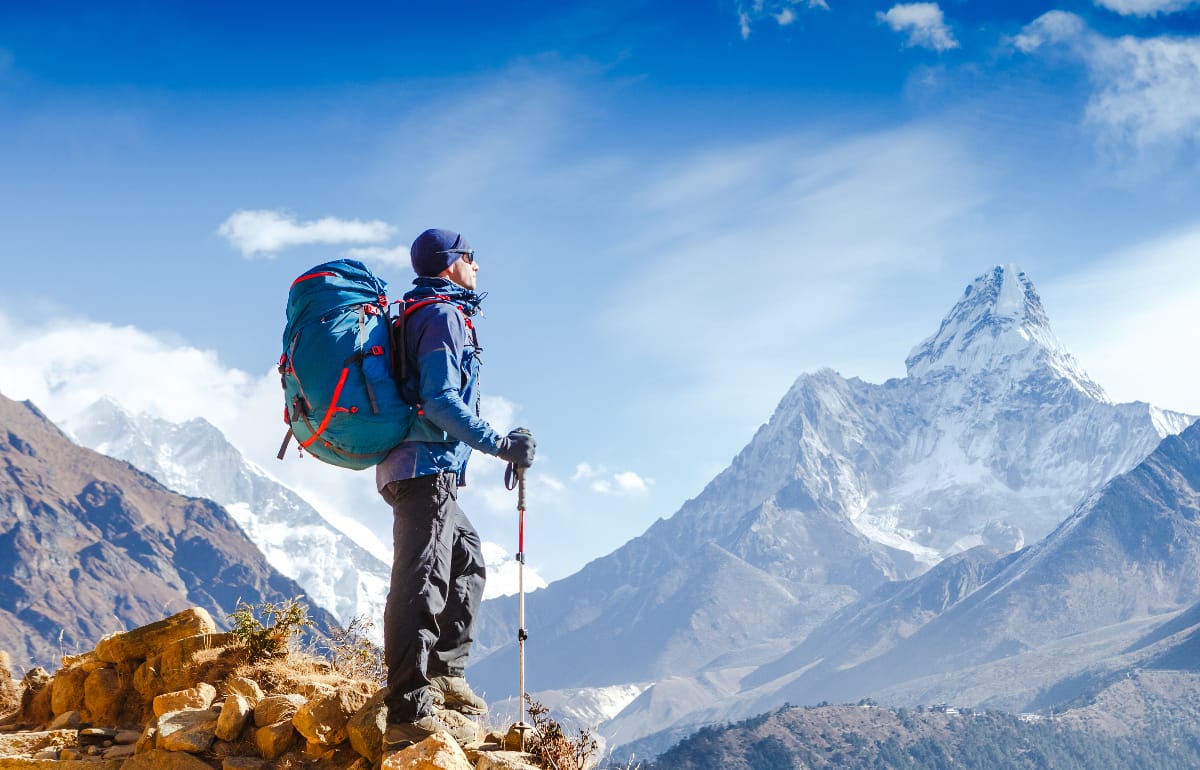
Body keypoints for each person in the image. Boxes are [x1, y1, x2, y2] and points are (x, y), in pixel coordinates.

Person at [378, 228, 536, 750]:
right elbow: (440, 399)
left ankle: (445, 673)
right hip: (424, 468)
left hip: (418, 467)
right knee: (422, 580)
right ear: (451, 262)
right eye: (471, 257)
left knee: (466, 562)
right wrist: (500, 444)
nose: (477, 266)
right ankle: (407, 708)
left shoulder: (418, 311)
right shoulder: (442, 316)